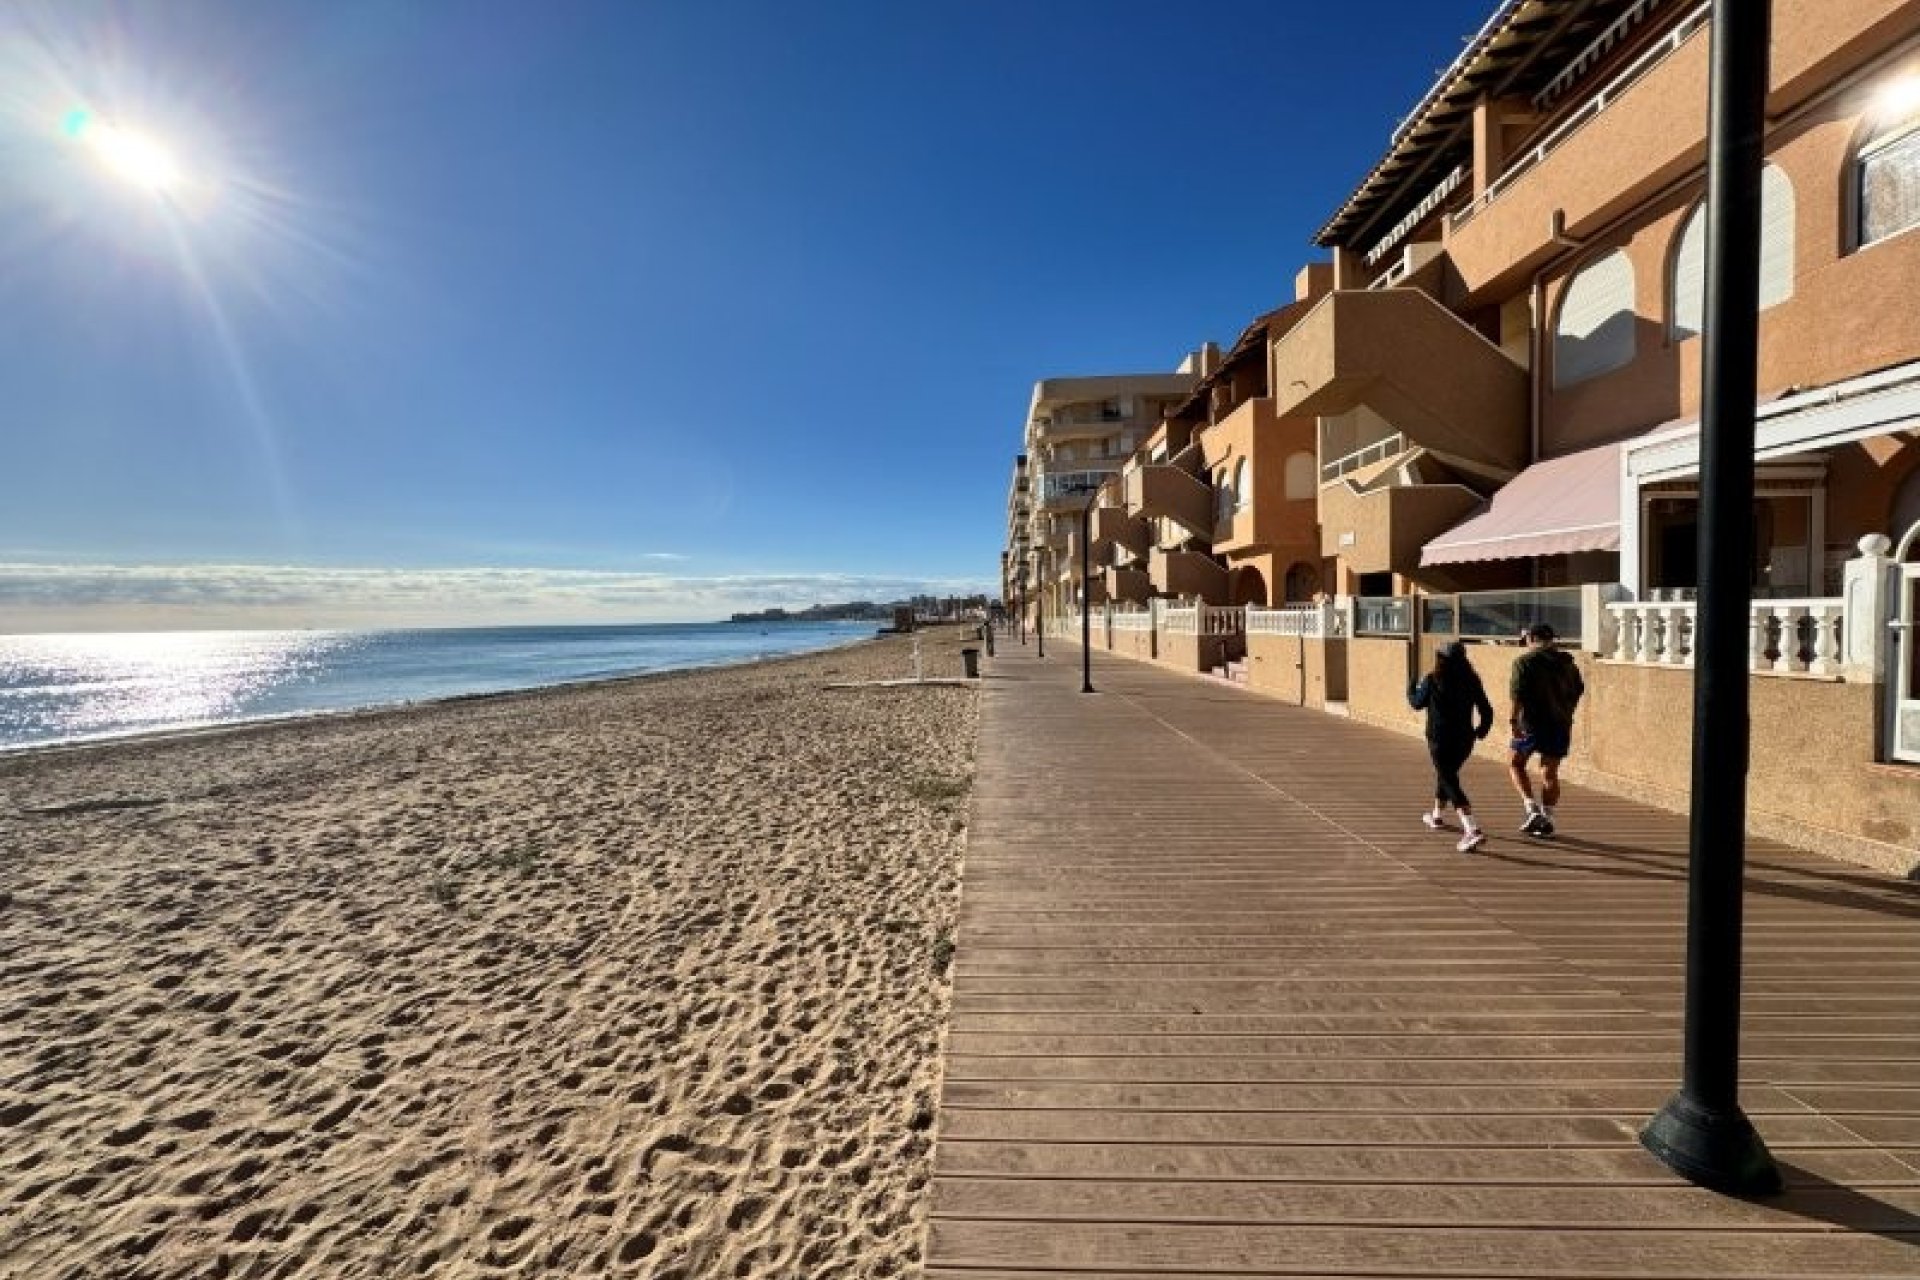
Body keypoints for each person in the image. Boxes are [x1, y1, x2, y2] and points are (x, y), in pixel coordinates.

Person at [1408, 641, 1495, 852]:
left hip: (1439, 739)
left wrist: (1411, 687)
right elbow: (1486, 709)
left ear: (1440, 659)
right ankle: (1436, 816)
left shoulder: (1432, 680)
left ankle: (1472, 829)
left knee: (1449, 780)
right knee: (1446, 775)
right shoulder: (1472, 680)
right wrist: (1482, 730)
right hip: (1464, 740)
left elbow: (1417, 703)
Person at [1508, 622, 1585, 838]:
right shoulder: (1568, 663)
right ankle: (1548, 818)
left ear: (1532, 639)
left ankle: (1531, 809)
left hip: (1531, 724)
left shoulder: (1524, 662)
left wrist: (1513, 721)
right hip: (1560, 723)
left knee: (1515, 763)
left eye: (1526, 639)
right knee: (1549, 772)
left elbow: (1517, 695)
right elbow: (1579, 690)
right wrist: (1567, 711)